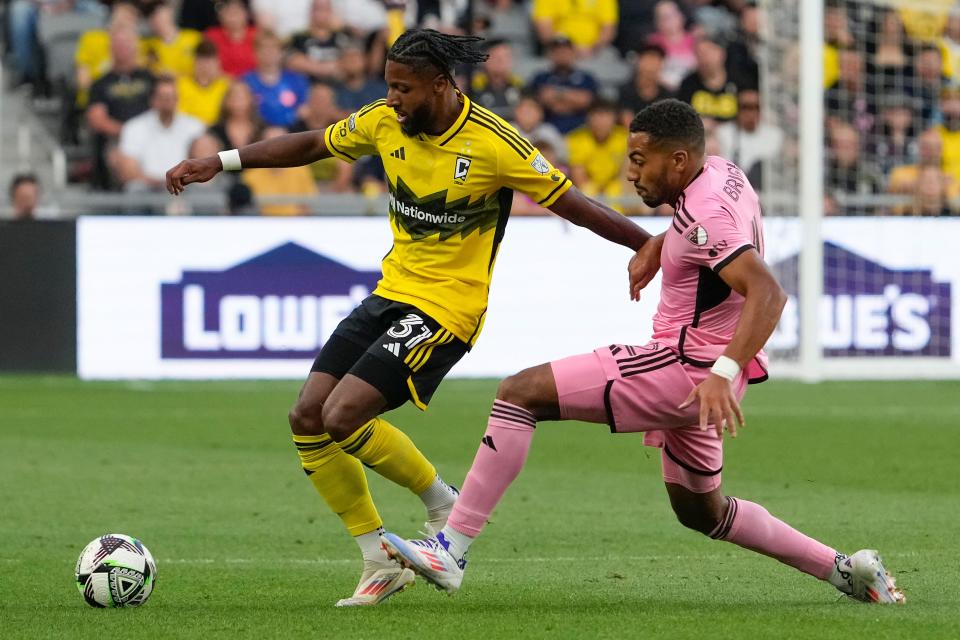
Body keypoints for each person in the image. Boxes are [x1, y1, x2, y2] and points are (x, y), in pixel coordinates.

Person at [165, 28, 660, 608]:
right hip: (391, 291)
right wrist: (218, 162)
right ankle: (379, 557)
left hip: (449, 308)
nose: (392, 98)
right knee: (307, 415)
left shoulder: (494, 143)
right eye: (389, 86)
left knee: (343, 414)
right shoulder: (383, 121)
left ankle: (441, 500)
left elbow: (572, 204)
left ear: (441, 85)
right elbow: (311, 145)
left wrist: (643, 242)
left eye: (403, 88)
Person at [381, 99, 906, 606]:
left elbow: (767, 291)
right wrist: (660, 242)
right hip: (702, 379)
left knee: (518, 394)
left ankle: (451, 548)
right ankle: (846, 570)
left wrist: (723, 371)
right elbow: (699, 227)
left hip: (687, 368)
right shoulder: (722, 172)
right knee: (703, 512)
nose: (630, 172)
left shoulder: (705, 216)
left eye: (639, 159)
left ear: (678, 159)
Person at [117, 76, 206, 192]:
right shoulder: (133, 127)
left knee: (204, 191)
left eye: (171, 97)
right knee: (135, 188)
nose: (167, 101)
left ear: (177, 99)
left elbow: (203, 165)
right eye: (163, 97)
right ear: (153, 99)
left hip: (185, 188)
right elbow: (128, 170)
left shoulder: (195, 126)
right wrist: (159, 184)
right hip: (147, 189)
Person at [243, 30, 310, 127]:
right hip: (258, 133)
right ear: (255, 52)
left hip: (292, 132)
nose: (268, 52)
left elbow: (304, 111)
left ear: (281, 52)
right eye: (263, 48)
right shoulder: (246, 82)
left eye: (273, 47)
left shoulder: (297, 80)